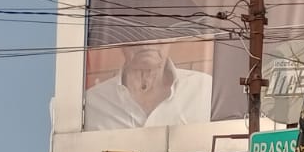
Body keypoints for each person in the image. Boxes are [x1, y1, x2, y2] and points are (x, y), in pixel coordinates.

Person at [83, 42, 214, 131]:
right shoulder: (91, 103)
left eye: (157, 26)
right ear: (120, 42)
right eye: (135, 29)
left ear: (172, 37)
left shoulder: (205, 89)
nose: (147, 42)